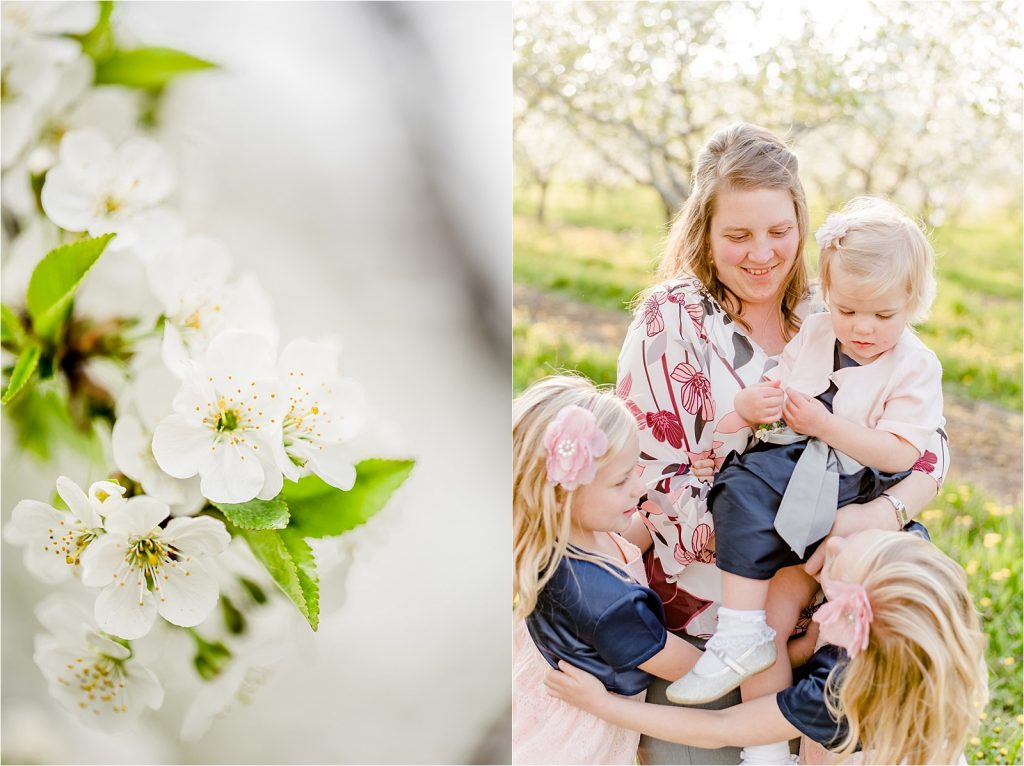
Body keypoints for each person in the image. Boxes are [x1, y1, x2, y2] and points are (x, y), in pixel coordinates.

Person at [616, 123, 950, 765]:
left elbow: (928, 450)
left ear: (803, 222)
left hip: (837, 600)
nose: (762, 255)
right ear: (704, 233)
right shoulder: (674, 320)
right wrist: (794, 540)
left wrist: (878, 516)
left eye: (779, 232)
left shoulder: (836, 307)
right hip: (718, 611)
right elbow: (653, 486)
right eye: (737, 236)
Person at [669, 196, 944, 707]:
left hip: (857, 486)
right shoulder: (816, 330)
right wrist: (748, 408)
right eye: (847, 310)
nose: (863, 328)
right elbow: (780, 384)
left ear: (913, 303)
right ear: (828, 295)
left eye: (883, 314)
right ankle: (748, 670)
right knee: (737, 490)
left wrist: (825, 423)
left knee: (848, 631)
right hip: (797, 469)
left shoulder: (915, 365)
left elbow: (902, 454)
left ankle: (832, 720)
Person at [544, 528, 988, 766]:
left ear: (847, 620)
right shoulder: (918, 649)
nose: (830, 543)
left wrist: (602, 706)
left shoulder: (835, 698)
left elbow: (722, 728)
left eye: (834, 566)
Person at [513, 375, 701, 765]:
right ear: (563, 494)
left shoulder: (574, 537)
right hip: (572, 740)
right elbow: (693, 667)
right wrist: (788, 651)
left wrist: (686, 500)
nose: (639, 487)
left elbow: (630, 544)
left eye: (636, 470)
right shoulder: (606, 602)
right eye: (621, 481)